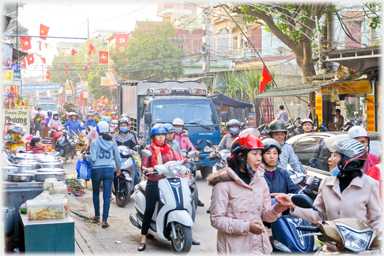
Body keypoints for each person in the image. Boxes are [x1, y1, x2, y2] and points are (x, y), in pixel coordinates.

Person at [273, 138, 382, 252]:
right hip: (331, 250)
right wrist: (292, 204)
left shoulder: (370, 184)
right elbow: (317, 214)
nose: (329, 159)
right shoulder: (326, 183)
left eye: (335, 155)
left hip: (359, 250)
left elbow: (377, 219)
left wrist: (375, 243)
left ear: (349, 160)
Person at [207, 134, 289, 254]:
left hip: (260, 248)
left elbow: (264, 216)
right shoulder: (223, 184)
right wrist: (246, 226)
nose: (259, 159)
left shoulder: (260, 180)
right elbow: (216, 219)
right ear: (241, 156)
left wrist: (277, 209)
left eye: (260, 154)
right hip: (234, 249)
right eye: (254, 154)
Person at [138, 124, 190, 251]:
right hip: (154, 182)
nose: (161, 137)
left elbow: (176, 161)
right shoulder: (149, 149)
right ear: (153, 136)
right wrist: (147, 169)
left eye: (163, 135)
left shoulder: (169, 149)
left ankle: (188, 233)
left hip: (168, 180)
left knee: (184, 202)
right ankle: (143, 238)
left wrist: (184, 167)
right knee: (149, 208)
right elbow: (143, 166)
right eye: (158, 135)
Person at [84, 121, 122, 229]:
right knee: (107, 196)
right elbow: (118, 159)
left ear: (98, 130)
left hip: (96, 171)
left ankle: (97, 215)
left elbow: (93, 158)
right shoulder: (113, 142)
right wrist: (118, 168)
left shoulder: (95, 142)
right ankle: (105, 220)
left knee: (96, 193)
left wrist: (85, 157)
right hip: (109, 170)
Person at [164, 123, 204, 208]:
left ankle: (191, 195)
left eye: (171, 133)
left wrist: (186, 159)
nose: (170, 135)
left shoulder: (180, 140)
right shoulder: (162, 144)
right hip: (166, 167)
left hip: (178, 164)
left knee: (189, 175)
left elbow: (179, 155)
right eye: (168, 133)